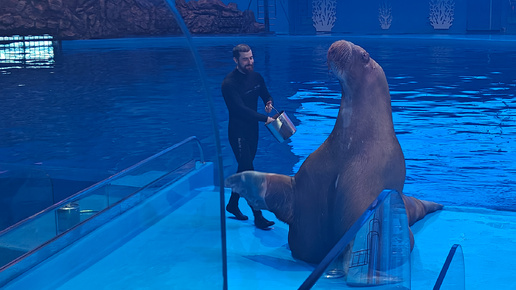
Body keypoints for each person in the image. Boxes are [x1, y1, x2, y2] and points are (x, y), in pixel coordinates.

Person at [221, 44, 276, 230]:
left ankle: (233, 204)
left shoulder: (256, 77)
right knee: (250, 174)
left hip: (253, 132)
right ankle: (258, 216)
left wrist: (268, 103)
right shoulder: (228, 84)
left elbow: (266, 94)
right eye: (245, 59)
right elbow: (240, 110)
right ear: (236, 60)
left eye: (251, 58)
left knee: (244, 170)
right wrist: (265, 118)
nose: (250, 62)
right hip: (238, 133)